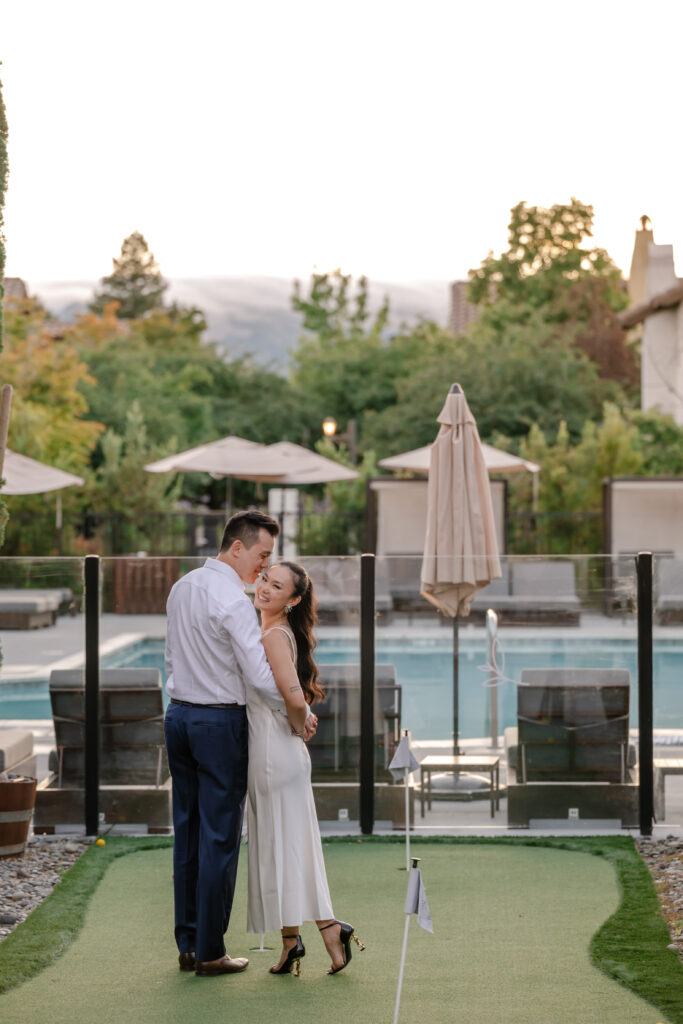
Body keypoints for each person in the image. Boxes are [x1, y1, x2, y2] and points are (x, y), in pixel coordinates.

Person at [164, 510, 316, 977]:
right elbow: (261, 677)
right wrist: (302, 711)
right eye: (262, 555)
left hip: (179, 717)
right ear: (236, 548)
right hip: (218, 724)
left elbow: (171, 655)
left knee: (187, 833)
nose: (262, 568)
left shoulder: (182, 587)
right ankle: (210, 952)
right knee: (219, 838)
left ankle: (189, 944)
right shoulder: (231, 598)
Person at [247, 560, 365, 976]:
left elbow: (296, 700)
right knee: (288, 848)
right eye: (265, 579)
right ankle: (306, 938)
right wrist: (298, 721)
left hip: (275, 753)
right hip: (275, 752)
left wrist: (300, 725)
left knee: (285, 848)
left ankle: (324, 930)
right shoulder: (268, 630)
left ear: (293, 600)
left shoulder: (274, 635)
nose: (264, 588)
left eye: (276, 586)